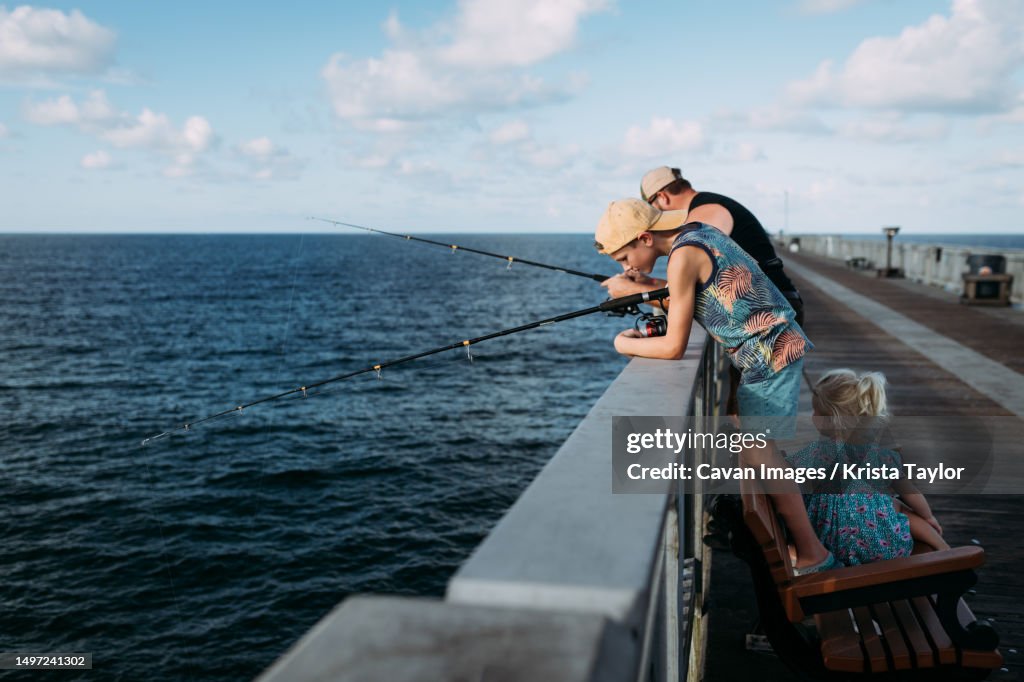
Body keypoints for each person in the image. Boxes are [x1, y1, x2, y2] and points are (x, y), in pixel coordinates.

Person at [594, 198, 837, 574]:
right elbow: (700, 297)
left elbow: (674, 347)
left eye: (623, 257)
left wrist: (622, 343)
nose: (625, 266)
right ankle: (799, 542)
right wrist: (642, 287)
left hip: (768, 355)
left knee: (761, 455)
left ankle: (812, 552)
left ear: (644, 238)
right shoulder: (697, 234)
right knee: (758, 451)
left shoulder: (681, 257)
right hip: (772, 349)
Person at [603, 166, 804, 325]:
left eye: (651, 209)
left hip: (772, 313)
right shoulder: (709, 205)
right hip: (765, 311)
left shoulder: (703, 217)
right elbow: (700, 286)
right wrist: (646, 283)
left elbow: (695, 296)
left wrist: (630, 292)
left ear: (662, 197)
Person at [786, 370, 947, 565]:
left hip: (832, 544)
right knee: (899, 507)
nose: (813, 416)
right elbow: (911, 492)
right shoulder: (882, 456)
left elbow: (789, 476)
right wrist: (928, 516)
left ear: (832, 419)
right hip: (885, 546)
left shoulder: (816, 454)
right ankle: (941, 546)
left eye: (816, 412)